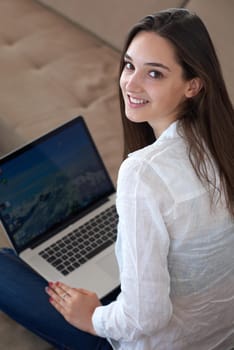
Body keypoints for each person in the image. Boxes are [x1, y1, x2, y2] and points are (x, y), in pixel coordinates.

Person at [0, 7, 234, 350]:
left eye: (154, 73)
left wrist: (92, 317)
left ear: (193, 85)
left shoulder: (143, 173)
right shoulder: (225, 142)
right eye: (129, 65)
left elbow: (145, 319)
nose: (131, 83)